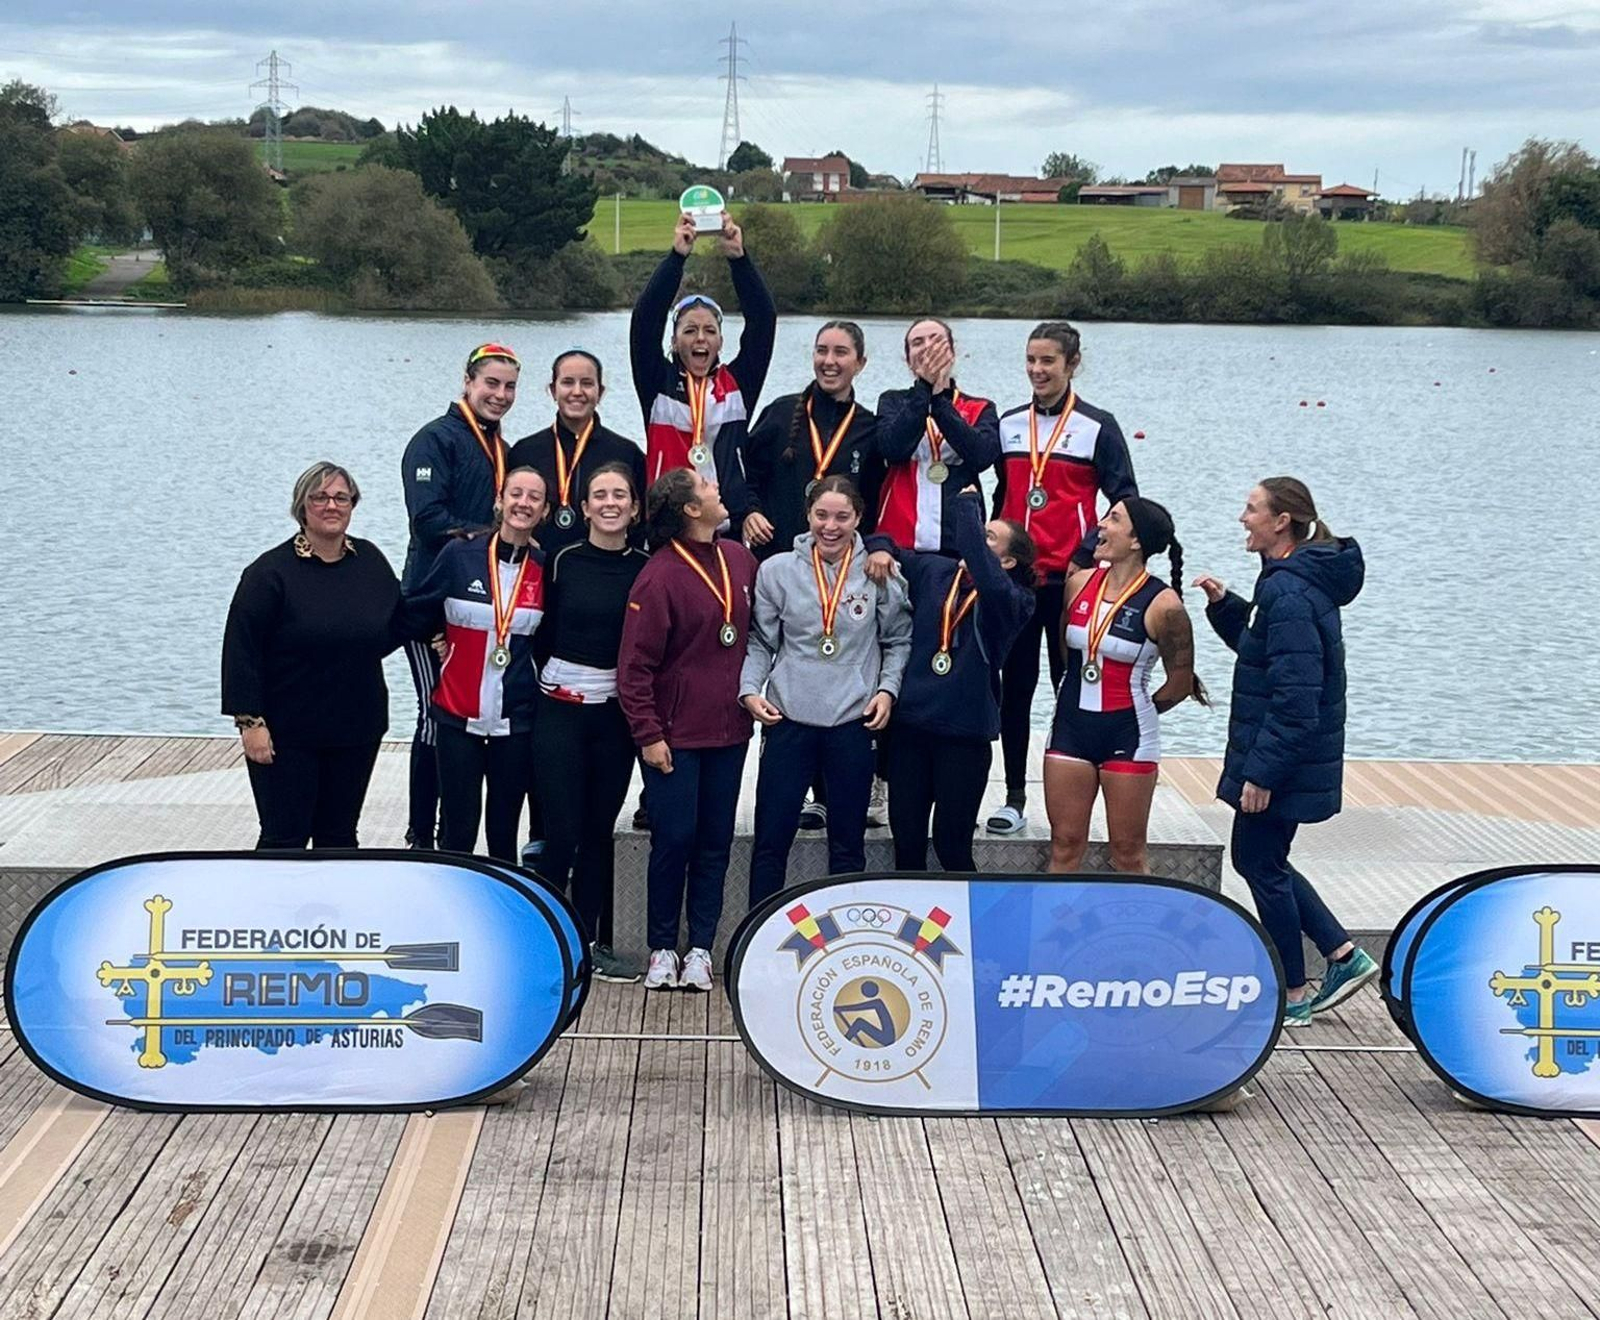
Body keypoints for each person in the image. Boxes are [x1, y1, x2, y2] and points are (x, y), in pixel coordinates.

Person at [1195, 477, 1376, 1028]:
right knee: (1264, 860)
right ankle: (1343, 956)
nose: (1241, 518)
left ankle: (1295, 990)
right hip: (1289, 757)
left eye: (1251, 509)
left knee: (1257, 862)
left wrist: (1262, 773)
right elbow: (1268, 652)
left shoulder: (1290, 590)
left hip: (1283, 760)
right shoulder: (1287, 582)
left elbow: (1297, 699)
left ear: (1282, 522)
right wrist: (1228, 608)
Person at [988, 321, 1137, 837]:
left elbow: (1124, 503)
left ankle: (1071, 802)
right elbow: (1004, 500)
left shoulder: (1098, 426)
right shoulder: (1007, 424)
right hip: (1016, 582)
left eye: (1048, 361)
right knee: (1014, 690)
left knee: (1070, 687)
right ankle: (1012, 796)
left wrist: (1081, 553)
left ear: (1073, 364)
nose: (1037, 370)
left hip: (1070, 581)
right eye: (1031, 360)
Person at [618, 469, 758, 992]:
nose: (717, 489)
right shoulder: (659, 576)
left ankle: (700, 947)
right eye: (706, 487)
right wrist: (648, 734)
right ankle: (660, 948)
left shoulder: (740, 560)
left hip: (729, 733)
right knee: (674, 839)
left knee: (714, 841)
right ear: (690, 510)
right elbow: (634, 667)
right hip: (673, 737)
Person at [740, 476, 911, 905]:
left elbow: (898, 640)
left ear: (858, 519)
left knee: (848, 846)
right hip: (788, 720)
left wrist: (887, 690)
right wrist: (749, 690)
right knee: (770, 842)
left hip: (851, 723)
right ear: (808, 515)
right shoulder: (776, 570)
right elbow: (762, 641)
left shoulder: (879, 570)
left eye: (841, 517)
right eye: (821, 515)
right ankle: (755, 942)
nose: (830, 526)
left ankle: (842, 946)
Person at [743, 320, 882, 829]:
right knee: (785, 661)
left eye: (841, 352)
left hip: (844, 569)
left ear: (859, 363)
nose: (829, 360)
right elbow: (745, 475)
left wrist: (880, 547)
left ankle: (844, 789)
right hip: (782, 564)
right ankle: (793, 783)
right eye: (821, 350)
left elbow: (882, 498)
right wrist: (748, 510)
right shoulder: (782, 414)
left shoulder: (868, 428)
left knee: (845, 656)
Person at [223, 462, 400, 849]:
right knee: (284, 837)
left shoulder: (369, 561)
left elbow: (395, 624)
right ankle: (271, 909)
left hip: (356, 726)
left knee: (338, 838)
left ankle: (331, 911)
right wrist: (250, 722)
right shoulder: (270, 572)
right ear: (302, 507)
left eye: (341, 497)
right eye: (319, 497)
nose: (331, 505)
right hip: (287, 733)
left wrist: (439, 632)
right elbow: (241, 648)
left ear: (353, 505)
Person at [531, 462, 651, 983]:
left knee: (599, 831)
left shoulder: (646, 567)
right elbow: (539, 631)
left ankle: (591, 944)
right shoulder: (560, 561)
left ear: (634, 507)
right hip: (559, 710)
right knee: (560, 832)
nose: (609, 503)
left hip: (614, 717)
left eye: (619, 495)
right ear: (582, 508)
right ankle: (548, 941)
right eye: (598, 495)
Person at [399, 343, 520, 850]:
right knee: (435, 715)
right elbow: (428, 522)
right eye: (491, 383)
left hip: (484, 609)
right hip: (431, 605)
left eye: (509, 386)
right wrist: (491, 539)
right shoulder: (434, 440)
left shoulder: (501, 448)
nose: (499, 395)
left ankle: (456, 827)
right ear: (467, 382)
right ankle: (420, 834)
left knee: (469, 719)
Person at [1045, 497, 1205, 876]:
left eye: (1113, 519)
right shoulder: (1078, 584)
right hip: (1070, 728)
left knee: (1128, 852)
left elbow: (1179, 684)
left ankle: (1134, 933)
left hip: (1129, 734)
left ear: (1136, 541)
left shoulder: (1165, 606)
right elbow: (1066, 655)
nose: (1101, 524)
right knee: (1065, 844)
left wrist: (1138, 710)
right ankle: (1051, 933)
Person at [879, 492, 1035, 871]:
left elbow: (986, 573)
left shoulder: (1013, 600)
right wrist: (880, 548)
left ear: (1009, 561)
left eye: (989, 538)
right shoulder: (936, 571)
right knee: (907, 847)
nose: (977, 541)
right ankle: (910, 931)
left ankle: (970, 928)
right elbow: (887, 544)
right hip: (910, 729)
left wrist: (966, 504)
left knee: (952, 847)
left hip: (964, 736)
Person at [399, 466, 548, 863]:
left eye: (534, 497)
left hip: (515, 720)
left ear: (544, 510)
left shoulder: (544, 567)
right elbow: (417, 607)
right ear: (500, 500)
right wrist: (434, 636)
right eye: (516, 493)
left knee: (503, 833)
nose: (524, 503)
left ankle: (503, 917)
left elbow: (550, 641)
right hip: (457, 714)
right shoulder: (460, 554)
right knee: (458, 832)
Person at [630, 210, 775, 543]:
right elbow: (645, 318)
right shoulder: (657, 383)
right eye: (690, 330)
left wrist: (739, 259)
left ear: (721, 341)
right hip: (667, 529)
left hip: (727, 527)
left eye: (710, 331)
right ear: (674, 340)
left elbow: (763, 320)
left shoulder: (739, 384)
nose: (700, 339)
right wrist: (677, 258)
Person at [872, 317, 1000, 555]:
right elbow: (893, 448)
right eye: (918, 343)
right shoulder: (893, 401)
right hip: (898, 544)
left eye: (936, 340)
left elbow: (981, 457)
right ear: (908, 359)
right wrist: (924, 389)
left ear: (952, 352)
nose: (928, 347)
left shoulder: (981, 407)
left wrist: (940, 401)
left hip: (958, 544)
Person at [507, 349, 648, 559]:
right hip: (538, 567)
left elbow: (639, 524)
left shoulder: (626, 453)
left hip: (602, 568)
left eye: (587, 383)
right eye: (567, 382)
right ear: (553, 390)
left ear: (600, 392)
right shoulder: (525, 451)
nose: (577, 391)